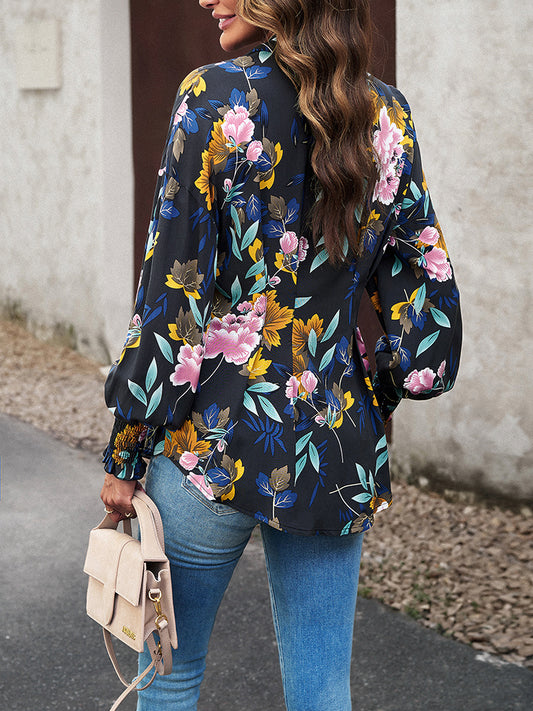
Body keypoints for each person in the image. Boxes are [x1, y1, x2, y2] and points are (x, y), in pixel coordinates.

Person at [100, 1, 462, 708]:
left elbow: (173, 296)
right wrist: (374, 389)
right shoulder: (386, 115)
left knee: (169, 673)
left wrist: (127, 448)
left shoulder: (212, 97)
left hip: (210, 444)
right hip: (333, 448)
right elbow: (425, 297)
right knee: (322, 690)